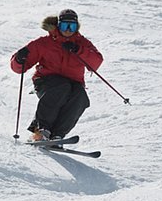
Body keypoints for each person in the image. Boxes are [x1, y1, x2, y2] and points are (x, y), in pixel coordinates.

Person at [10, 9, 104, 142]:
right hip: (46, 81)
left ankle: (57, 135)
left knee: (80, 98)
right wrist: (19, 59)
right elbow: (19, 68)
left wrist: (78, 50)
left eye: (72, 26)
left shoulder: (82, 43)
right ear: (58, 25)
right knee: (61, 88)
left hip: (74, 83)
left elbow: (96, 63)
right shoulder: (44, 43)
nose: (68, 30)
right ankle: (41, 130)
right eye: (65, 26)